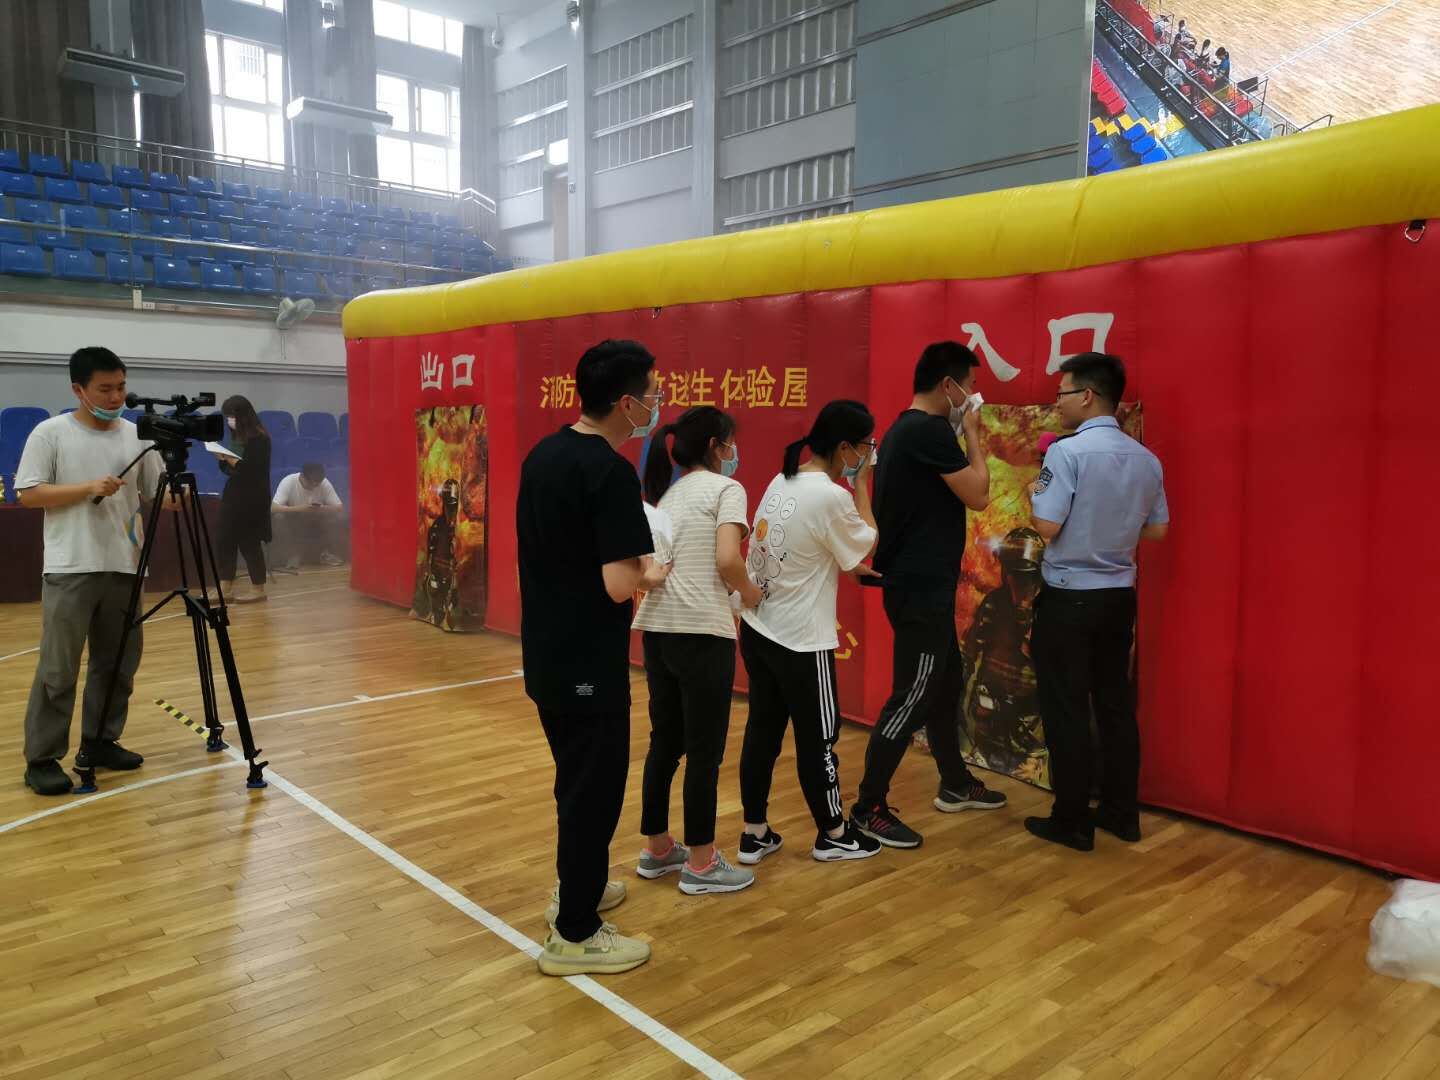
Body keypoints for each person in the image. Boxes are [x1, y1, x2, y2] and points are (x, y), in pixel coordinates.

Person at [518, 338, 669, 976]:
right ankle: (575, 933)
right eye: (654, 393)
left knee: (575, 781)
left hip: (547, 652)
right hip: (586, 662)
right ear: (626, 403)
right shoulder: (609, 472)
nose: (659, 403)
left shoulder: (545, 452)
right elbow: (617, 582)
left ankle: (577, 887)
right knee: (594, 791)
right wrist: (651, 572)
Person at [850, 341, 1007, 849]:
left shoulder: (906, 430)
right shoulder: (928, 431)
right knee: (914, 693)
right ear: (948, 385)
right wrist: (973, 435)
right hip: (919, 588)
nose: (974, 396)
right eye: (971, 386)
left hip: (919, 585)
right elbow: (979, 494)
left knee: (946, 681)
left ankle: (955, 781)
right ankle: (868, 807)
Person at [1025, 353, 1169, 852]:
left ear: (1086, 395)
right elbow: (1157, 530)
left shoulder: (1066, 453)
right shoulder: (1146, 458)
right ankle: (1121, 812)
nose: (1057, 404)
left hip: (1069, 597)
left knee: (1066, 707)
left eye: (1062, 393)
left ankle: (1071, 819)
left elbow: (1046, 526)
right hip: (1118, 597)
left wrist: (1034, 494)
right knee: (1114, 704)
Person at [738, 400, 884, 864]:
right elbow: (867, 537)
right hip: (800, 639)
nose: (868, 454)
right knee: (818, 739)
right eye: (866, 446)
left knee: (762, 731)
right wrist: (862, 483)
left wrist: (847, 562)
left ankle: (754, 832)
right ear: (845, 448)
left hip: (759, 627)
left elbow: (812, 546)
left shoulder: (784, 478)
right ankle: (835, 834)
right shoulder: (831, 495)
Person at [15, 346, 166, 796]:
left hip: (125, 565)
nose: (116, 396)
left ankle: (101, 741)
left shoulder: (137, 435)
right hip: (71, 566)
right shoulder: (50, 433)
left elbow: (160, 494)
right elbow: (28, 494)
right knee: (59, 669)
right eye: (105, 388)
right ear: (78, 390)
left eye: (121, 386)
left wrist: (210, 474)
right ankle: (42, 759)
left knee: (117, 665)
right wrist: (87, 488)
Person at [633, 406, 760, 895]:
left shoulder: (669, 495)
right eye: (730, 441)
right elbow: (728, 559)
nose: (734, 451)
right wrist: (749, 592)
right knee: (704, 752)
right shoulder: (727, 489)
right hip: (701, 633)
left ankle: (658, 848)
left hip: (659, 631)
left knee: (665, 742)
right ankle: (702, 864)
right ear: (715, 445)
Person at [216, 396, 272, 603]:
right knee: (225, 539)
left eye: (231, 416)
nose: (229, 420)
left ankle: (258, 589)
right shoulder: (237, 438)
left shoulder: (260, 439)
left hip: (252, 497)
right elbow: (230, 470)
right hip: (233, 494)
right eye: (227, 417)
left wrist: (230, 459)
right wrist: (222, 459)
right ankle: (225, 587)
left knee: (249, 542)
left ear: (243, 416)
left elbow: (250, 469)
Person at [270, 462, 345, 571]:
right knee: (278, 517)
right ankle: (293, 556)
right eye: (311, 484)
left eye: (317, 485)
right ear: (302, 476)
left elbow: (340, 508)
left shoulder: (324, 483)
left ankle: (325, 554)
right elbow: (273, 508)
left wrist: (321, 509)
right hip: (293, 519)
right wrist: (300, 509)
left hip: (316, 519)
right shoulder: (289, 481)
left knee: (337, 517)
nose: (313, 487)